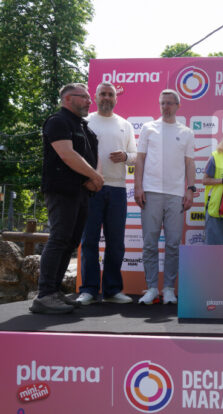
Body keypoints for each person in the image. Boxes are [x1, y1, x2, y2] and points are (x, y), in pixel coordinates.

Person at [30, 83, 104, 314]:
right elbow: (66, 154)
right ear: (68, 99)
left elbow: (93, 156)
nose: (89, 101)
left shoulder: (84, 126)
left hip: (81, 192)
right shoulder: (57, 121)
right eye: (84, 97)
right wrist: (94, 176)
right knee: (59, 238)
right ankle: (44, 295)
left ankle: (54, 291)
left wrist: (95, 178)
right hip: (61, 190)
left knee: (71, 242)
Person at [76, 81, 137, 305]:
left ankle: (112, 290)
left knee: (116, 243)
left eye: (110, 94)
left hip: (118, 189)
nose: (106, 98)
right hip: (90, 188)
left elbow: (135, 156)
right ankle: (89, 290)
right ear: (95, 97)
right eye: (103, 94)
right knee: (89, 241)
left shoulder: (125, 124)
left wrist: (125, 156)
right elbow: (75, 152)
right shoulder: (85, 121)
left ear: (116, 98)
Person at [134, 89, 195, 305]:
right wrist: (138, 187)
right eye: (163, 103)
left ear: (178, 106)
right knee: (150, 243)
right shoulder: (148, 128)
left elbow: (189, 163)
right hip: (150, 192)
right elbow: (140, 159)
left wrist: (190, 189)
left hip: (175, 194)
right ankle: (151, 288)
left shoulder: (186, 132)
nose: (166, 107)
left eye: (170, 103)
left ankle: (169, 288)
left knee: (173, 244)